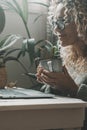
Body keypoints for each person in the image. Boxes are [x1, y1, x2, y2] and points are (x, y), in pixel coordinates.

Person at [36, 0, 87, 129]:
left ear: (82, 21)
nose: (56, 28)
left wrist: (72, 88)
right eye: (54, 22)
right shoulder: (69, 56)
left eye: (63, 21)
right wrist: (51, 82)